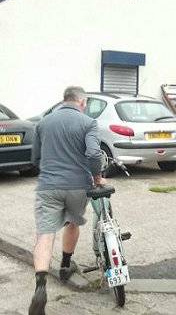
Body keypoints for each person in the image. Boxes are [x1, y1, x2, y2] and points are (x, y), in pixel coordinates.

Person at [29, 86, 104, 315]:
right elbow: (93, 154)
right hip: (77, 186)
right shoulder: (88, 123)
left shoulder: (43, 123)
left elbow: (35, 158)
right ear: (81, 102)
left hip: (49, 186)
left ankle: (41, 286)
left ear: (65, 101)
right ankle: (64, 265)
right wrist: (97, 177)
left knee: (45, 233)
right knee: (72, 222)